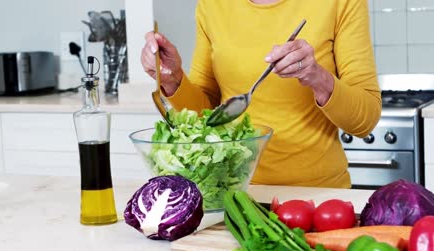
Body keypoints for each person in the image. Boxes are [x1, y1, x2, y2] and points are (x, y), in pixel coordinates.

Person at [140, 0, 381, 188]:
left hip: (318, 195)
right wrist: (174, 80)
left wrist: (317, 77)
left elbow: (365, 120)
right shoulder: (212, 6)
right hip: (236, 191)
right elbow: (206, 114)